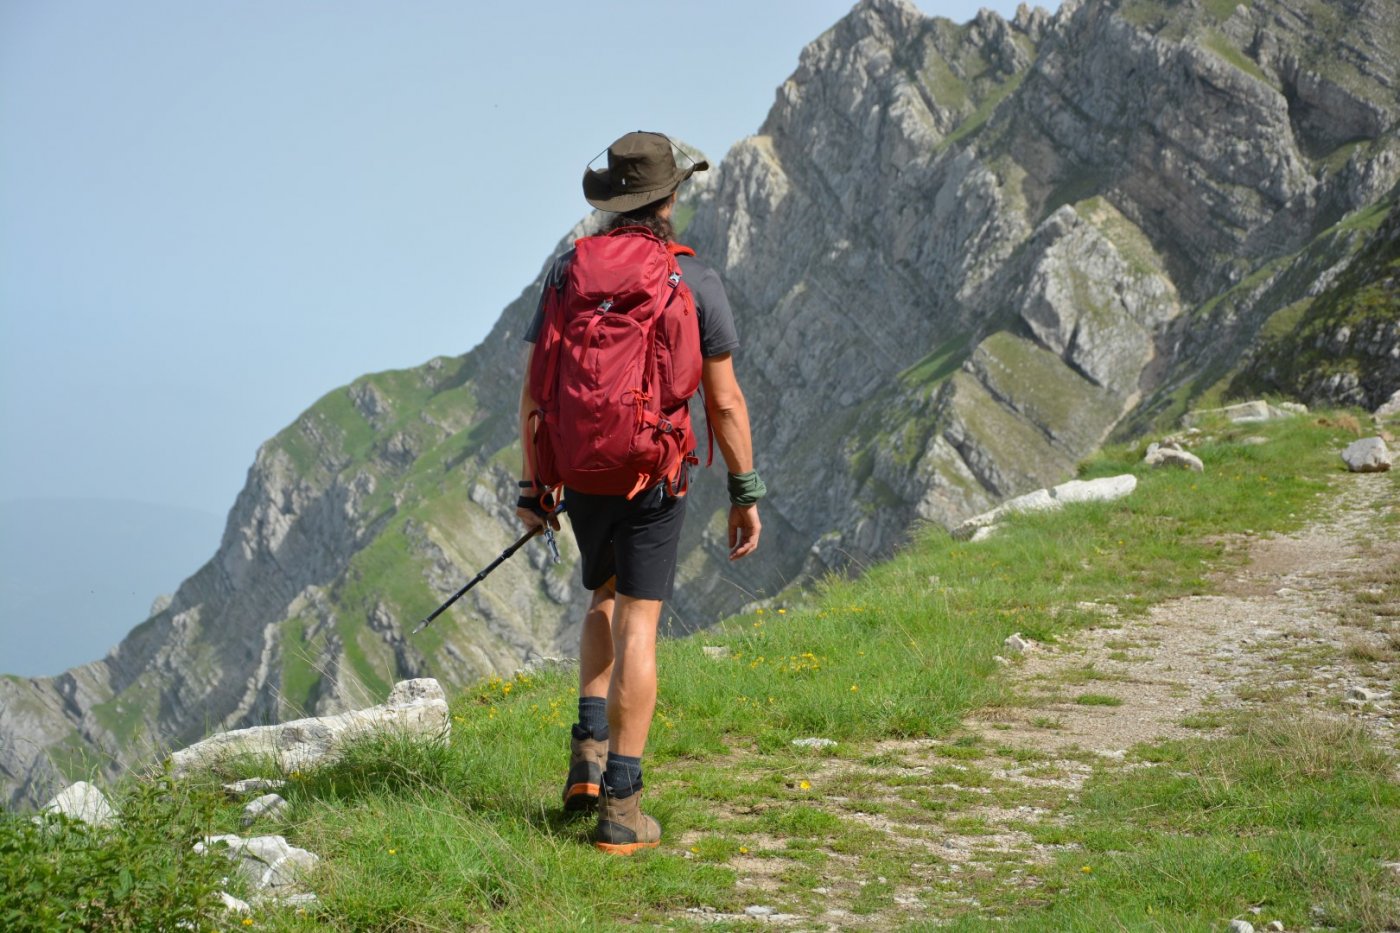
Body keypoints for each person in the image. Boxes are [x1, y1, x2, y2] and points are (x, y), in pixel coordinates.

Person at [516, 130, 764, 854]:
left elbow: (534, 393)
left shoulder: (566, 273)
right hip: (653, 471)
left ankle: (586, 761)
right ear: (670, 198)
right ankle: (622, 809)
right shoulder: (692, 281)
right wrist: (744, 491)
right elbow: (724, 404)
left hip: (579, 469)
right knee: (640, 623)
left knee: (601, 595)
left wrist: (536, 486)